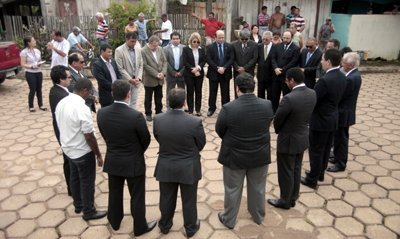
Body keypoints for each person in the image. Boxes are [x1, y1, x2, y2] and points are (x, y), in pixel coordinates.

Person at [97, 80, 156, 236]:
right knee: (137, 196)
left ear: (112, 94)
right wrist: (137, 152)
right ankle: (139, 227)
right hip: (133, 162)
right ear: (129, 95)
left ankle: (115, 222)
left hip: (113, 160)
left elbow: (105, 135)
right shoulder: (135, 116)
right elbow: (146, 139)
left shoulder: (101, 113)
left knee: (114, 193)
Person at [216, 73, 274, 229]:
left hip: (234, 156)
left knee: (232, 188)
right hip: (260, 154)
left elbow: (219, 130)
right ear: (253, 87)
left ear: (237, 89)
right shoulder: (267, 104)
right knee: (258, 188)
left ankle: (229, 219)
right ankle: (257, 216)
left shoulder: (228, 108)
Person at [153, 88, 206, 238]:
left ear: (168, 103)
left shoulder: (158, 119)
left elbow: (159, 138)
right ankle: (190, 228)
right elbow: (201, 144)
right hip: (188, 167)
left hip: (166, 165)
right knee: (189, 199)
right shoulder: (195, 121)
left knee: (166, 197)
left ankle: (164, 225)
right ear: (184, 103)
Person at [55, 78, 107, 221]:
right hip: (82, 151)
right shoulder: (82, 108)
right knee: (87, 181)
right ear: (84, 91)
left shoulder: (62, 102)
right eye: (89, 91)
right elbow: (89, 136)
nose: (89, 94)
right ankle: (89, 211)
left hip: (68, 149)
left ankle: (78, 204)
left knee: (74, 176)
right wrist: (98, 155)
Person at [268, 67, 316, 209]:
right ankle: (293, 197)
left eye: (287, 80)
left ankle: (284, 201)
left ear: (292, 80)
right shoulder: (312, 93)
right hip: (302, 138)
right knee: (295, 170)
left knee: (285, 172)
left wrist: (278, 130)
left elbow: (278, 120)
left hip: (288, 140)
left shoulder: (289, 98)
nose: (286, 83)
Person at [301, 49, 347, 189]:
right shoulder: (342, 76)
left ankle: (312, 179)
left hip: (320, 120)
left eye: (322, 60)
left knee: (316, 149)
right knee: (326, 149)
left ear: (328, 61)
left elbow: (315, 100)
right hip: (333, 118)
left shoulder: (325, 80)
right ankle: (319, 173)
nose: (321, 62)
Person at [328, 53, 362, 172]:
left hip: (344, 112)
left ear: (351, 65)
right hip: (344, 111)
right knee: (338, 137)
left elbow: (341, 96)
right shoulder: (353, 74)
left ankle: (341, 163)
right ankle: (336, 157)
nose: (342, 65)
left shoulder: (351, 78)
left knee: (342, 139)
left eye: (344, 63)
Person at [49, 65, 72, 196]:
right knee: (69, 161)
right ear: (60, 79)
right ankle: (72, 188)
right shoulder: (60, 94)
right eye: (68, 77)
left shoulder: (58, 90)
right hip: (65, 132)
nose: (70, 80)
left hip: (63, 131)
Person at [206, 30, 235, 117]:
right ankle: (211, 108)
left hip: (225, 73)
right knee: (212, 92)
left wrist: (224, 67)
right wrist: (217, 68)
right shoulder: (210, 47)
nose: (221, 39)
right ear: (215, 37)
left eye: (222, 37)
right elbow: (208, 59)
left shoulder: (229, 46)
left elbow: (231, 58)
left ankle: (225, 109)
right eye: (219, 38)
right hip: (214, 73)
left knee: (225, 92)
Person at [270, 30, 300, 113]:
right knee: (274, 96)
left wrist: (282, 71)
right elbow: (273, 58)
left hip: (286, 77)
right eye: (284, 38)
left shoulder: (296, 48)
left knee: (286, 96)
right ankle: (274, 113)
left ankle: (285, 112)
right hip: (276, 75)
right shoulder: (277, 46)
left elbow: (293, 62)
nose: (285, 40)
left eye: (287, 38)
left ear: (292, 38)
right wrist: (276, 68)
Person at [141, 35, 168, 122]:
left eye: (157, 45)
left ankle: (159, 111)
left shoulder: (160, 49)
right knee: (148, 97)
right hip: (150, 78)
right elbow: (145, 65)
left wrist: (163, 73)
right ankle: (148, 113)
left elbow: (164, 61)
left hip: (160, 78)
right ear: (149, 43)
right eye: (154, 46)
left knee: (159, 96)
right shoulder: (143, 51)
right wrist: (156, 74)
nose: (156, 47)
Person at [114, 31, 143, 110]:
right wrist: (130, 79)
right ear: (126, 39)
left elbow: (141, 65)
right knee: (126, 102)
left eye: (135, 41)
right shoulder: (119, 50)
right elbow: (120, 68)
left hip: (136, 81)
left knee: (134, 101)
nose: (134, 43)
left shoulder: (138, 50)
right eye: (132, 41)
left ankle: (132, 117)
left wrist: (138, 78)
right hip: (125, 81)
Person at [20, 36, 46, 112]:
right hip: (30, 72)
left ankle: (40, 104)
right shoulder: (24, 52)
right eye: (33, 41)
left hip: (38, 72)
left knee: (39, 89)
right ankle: (31, 106)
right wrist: (31, 67)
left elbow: (39, 60)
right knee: (32, 89)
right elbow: (23, 64)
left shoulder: (37, 51)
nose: (35, 42)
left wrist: (40, 64)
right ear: (29, 43)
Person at [182, 32, 206, 116]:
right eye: (194, 41)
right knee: (190, 92)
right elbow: (185, 61)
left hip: (199, 74)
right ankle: (191, 110)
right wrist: (193, 70)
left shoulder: (201, 49)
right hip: (189, 74)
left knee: (198, 92)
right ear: (191, 41)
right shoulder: (186, 49)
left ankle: (198, 109)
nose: (196, 44)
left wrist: (198, 68)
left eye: (198, 42)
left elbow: (204, 60)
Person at [232, 28, 258, 99]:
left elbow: (254, 58)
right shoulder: (234, 44)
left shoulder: (254, 45)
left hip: (249, 71)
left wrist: (245, 68)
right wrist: (237, 68)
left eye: (246, 39)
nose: (244, 41)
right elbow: (232, 58)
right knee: (237, 89)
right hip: (238, 71)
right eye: (242, 39)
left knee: (248, 89)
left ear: (249, 37)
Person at [163, 32, 186, 110]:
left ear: (180, 39)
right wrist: (173, 72)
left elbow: (187, 61)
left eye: (177, 39)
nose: (175, 40)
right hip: (170, 75)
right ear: (171, 39)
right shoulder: (166, 49)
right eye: (174, 39)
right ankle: (169, 107)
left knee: (182, 91)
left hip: (181, 74)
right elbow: (165, 62)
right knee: (169, 91)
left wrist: (181, 72)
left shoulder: (184, 48)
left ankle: (182, 105)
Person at [257, 31, 276, 99]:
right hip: (261, 75)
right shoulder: (259, 46)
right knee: (260, 95)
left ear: (271, 39)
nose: (264, 41)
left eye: (266, 39)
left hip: (271, 76)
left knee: (270, 95)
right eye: (263, 39)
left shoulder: (275, 47)